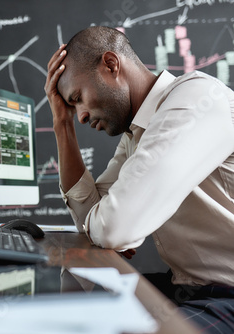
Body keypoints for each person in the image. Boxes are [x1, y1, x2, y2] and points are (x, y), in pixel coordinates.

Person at [45, 26, 234, 333]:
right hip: (190, 290)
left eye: (77, 98)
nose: (79, 115)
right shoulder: (137, 135)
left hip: (226, 296)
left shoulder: (195, 100)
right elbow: (93, 220)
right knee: (70, 315)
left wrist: (112, 222)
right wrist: (61, 124)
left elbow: (114, 227)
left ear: (110, 65)